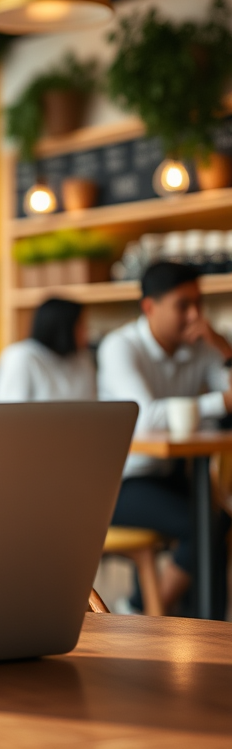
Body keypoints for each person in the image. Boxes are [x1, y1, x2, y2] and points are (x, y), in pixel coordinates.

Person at [98, 261, 232, 615]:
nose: (195, 316)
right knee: (206, 526)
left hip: (170, 474)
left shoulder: (202, 346)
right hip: (118, 482)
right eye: (183, 305)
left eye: (199, 304)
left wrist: (222, 346)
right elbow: (145, 416)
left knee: (220, 523)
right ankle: (138, 611)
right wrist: (220, 401)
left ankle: (203, 628)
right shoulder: (120, 347)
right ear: (149, 307)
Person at [0, 298, 96, 402]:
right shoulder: (21, 357)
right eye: (81, 325)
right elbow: (8, 412)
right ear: (63, 328)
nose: (87, 332)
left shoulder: (83, 360)